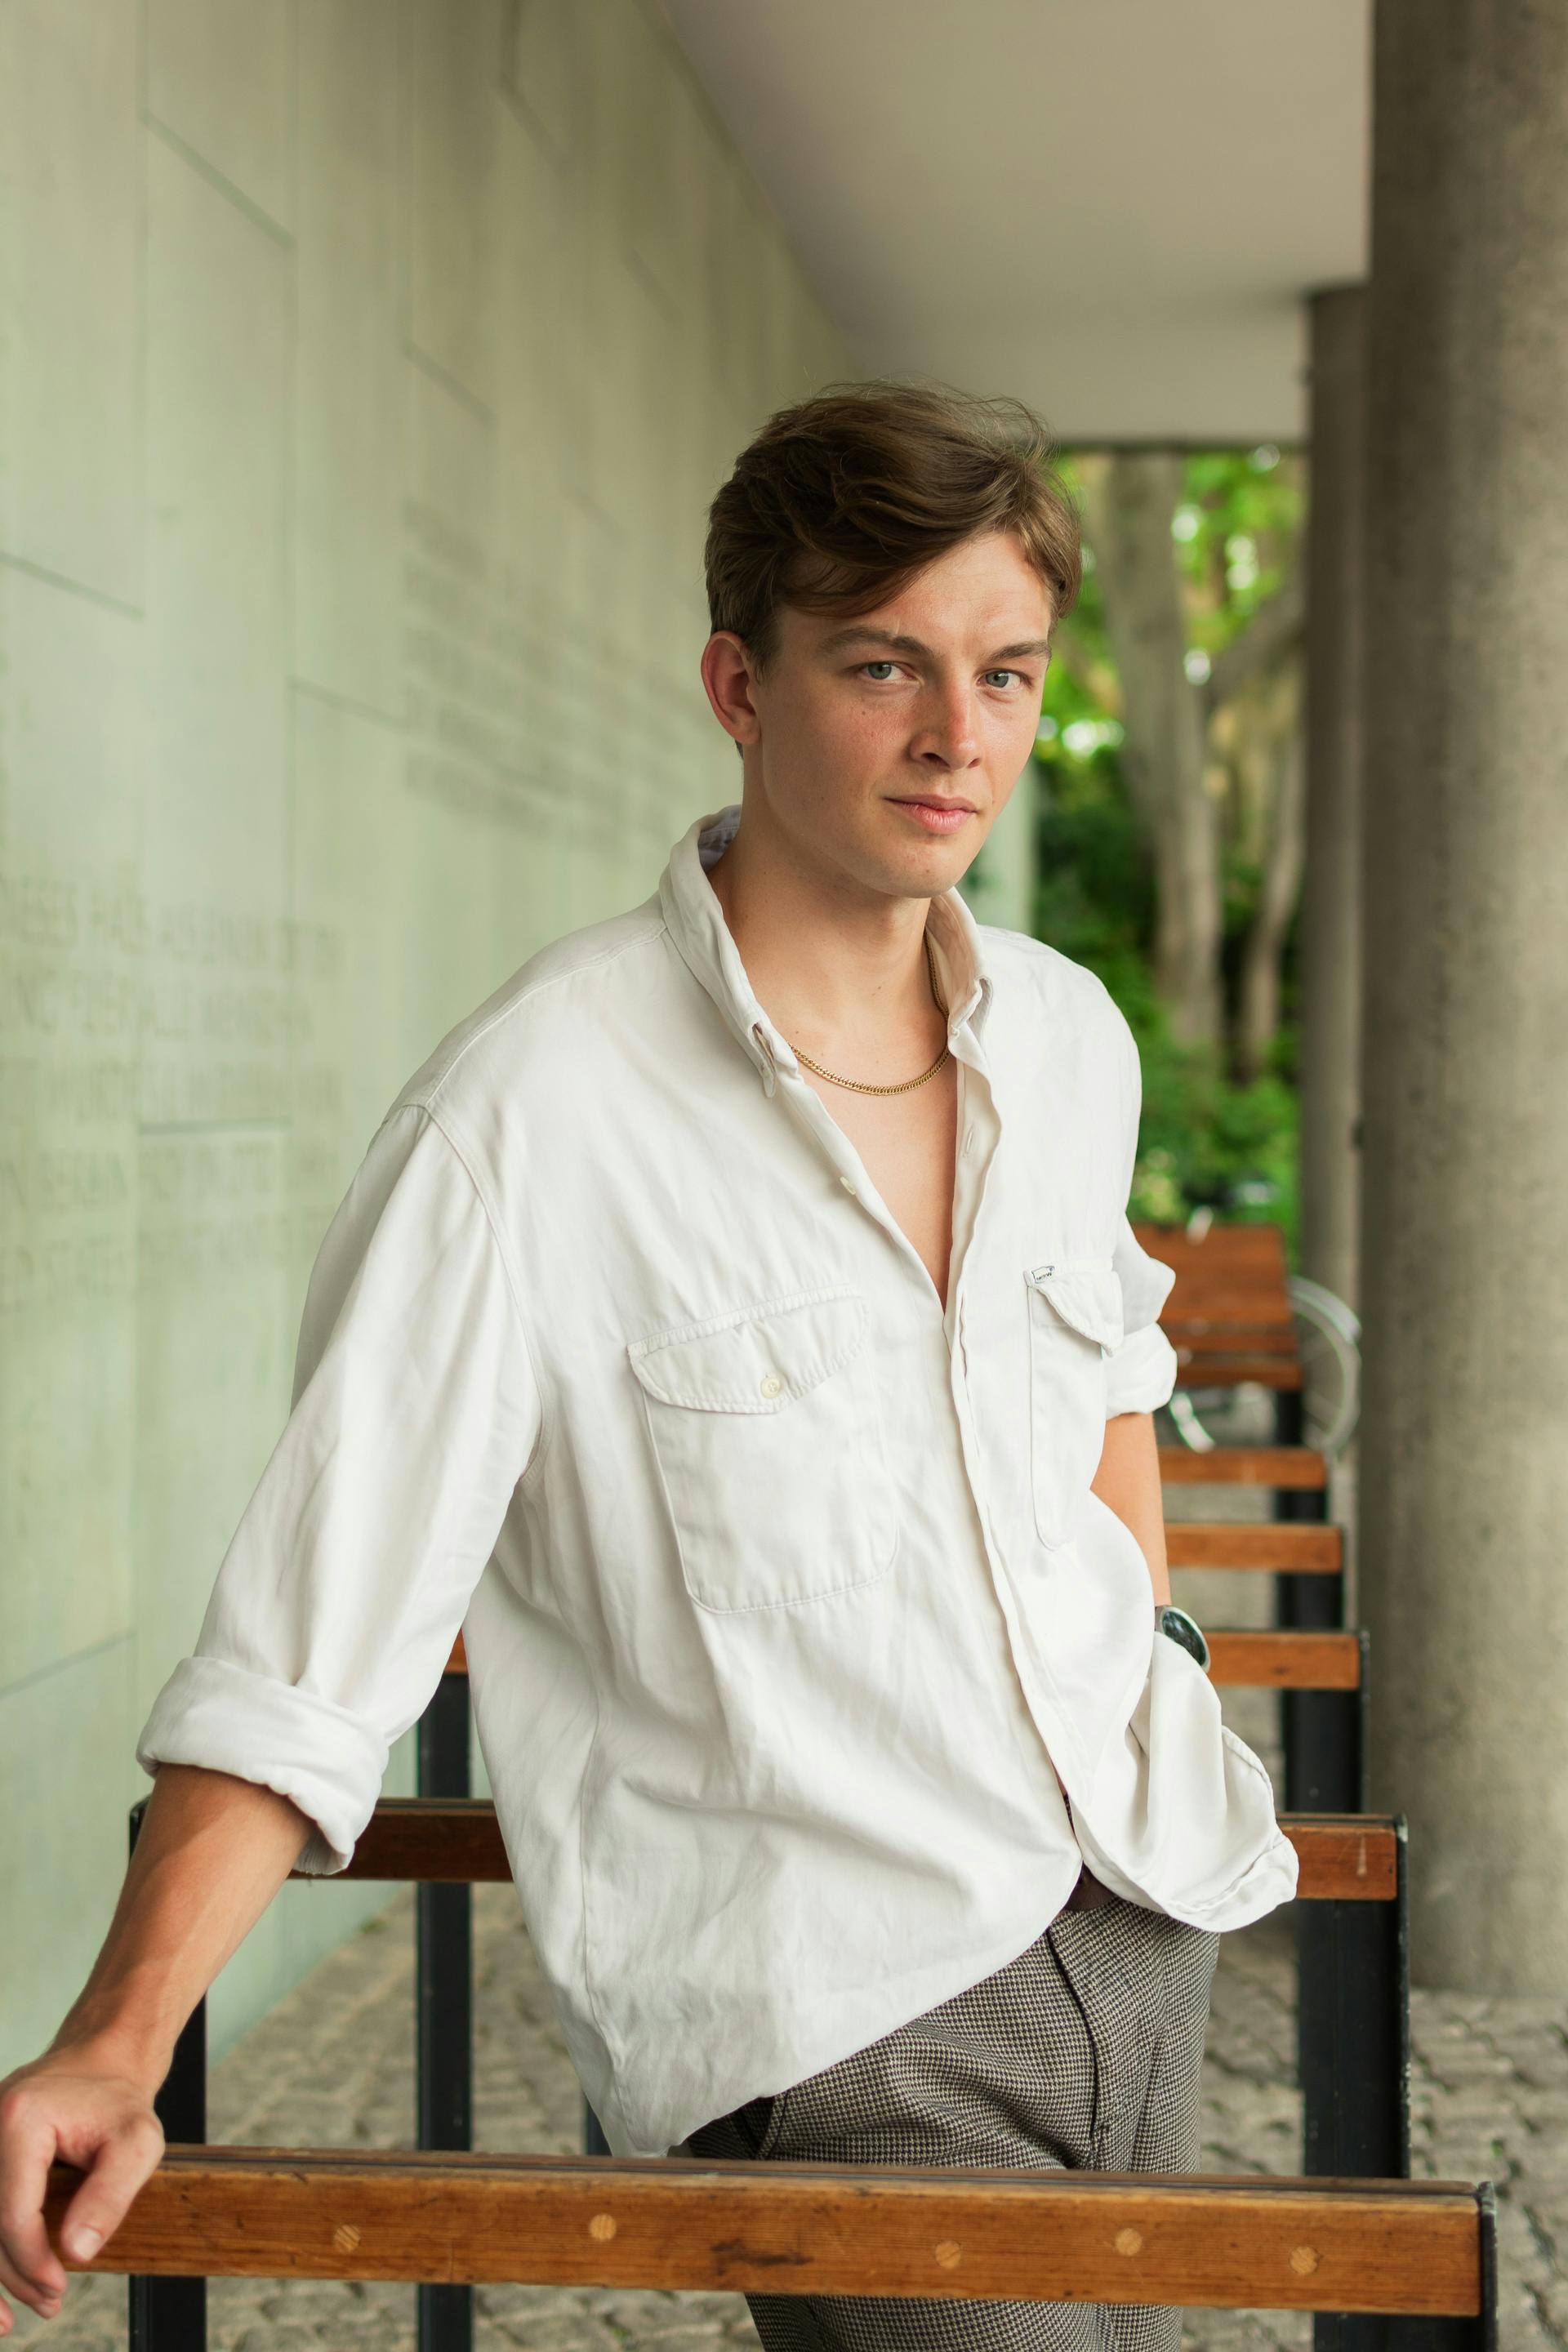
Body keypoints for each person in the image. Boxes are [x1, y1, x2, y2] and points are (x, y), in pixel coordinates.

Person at [0, 381, 1297, 2348]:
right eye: (888, 666)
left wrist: (1169, 1669)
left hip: (1141, 1919)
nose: (963, 739)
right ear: (739, 683)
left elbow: (1107, 1373)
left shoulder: (1065, 1038)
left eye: (1010, 676)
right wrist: (114, 2041)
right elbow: (309, 1639)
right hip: (855, 2020)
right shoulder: (530, 1120)